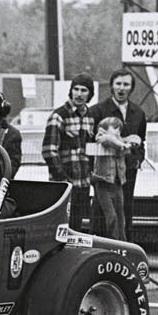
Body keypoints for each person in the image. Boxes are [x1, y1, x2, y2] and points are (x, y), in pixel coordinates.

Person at [89, 69, 147, 241]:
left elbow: (141, 140)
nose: (122, 88)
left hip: (127, 171)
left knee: (125, 212)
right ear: (112, 86)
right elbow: (91, 141)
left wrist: (137, 159)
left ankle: (124, 250)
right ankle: (99, 249)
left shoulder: (138, 113)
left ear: (131, 88)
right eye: (118, 84)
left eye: (126, 84)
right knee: (102, 212)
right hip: (103, 173)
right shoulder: (98, 110)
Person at [43, 73, 95, 231]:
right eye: (76, 89)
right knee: (60, 226)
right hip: (64, 185)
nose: (79, 94)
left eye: (84, 90)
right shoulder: (59, 115)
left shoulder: (90, 117)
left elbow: (91, 149)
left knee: (77, 226)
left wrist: (91, 175)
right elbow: (48, 151)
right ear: (71, 91)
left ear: (90, 94)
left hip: (84, 184)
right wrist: (62, 179)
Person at [90, 116, 137, 241]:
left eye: (119, 129)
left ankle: (123, 242)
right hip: (103, 183)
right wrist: (122, 145)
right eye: (115, 128)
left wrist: (131, 142)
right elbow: (107, 139)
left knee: (121, 217)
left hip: (117, 183)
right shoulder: (101, 136)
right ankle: (113, 241)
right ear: (104, 129)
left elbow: (134, 138)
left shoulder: (120, 140)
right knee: (111, 216)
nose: (117, 132)